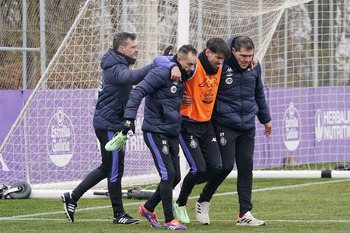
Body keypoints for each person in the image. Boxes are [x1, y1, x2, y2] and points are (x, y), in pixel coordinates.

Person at [61, 32, 180, 224]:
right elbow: (132, 77)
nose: (137, 49)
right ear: (122, 49)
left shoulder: (118, 64)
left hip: (112, 123)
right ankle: (119, 215)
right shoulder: (114, 67)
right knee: (114, 169)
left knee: (107, 167)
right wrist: (157, 64)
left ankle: (72, 197)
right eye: (133, 47)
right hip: (108, 124)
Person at [119, 45, 198, 230]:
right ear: (178, 60)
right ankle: (170, 220)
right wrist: (129, 118)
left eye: (194, 65)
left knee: (176, 175)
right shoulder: (161, 73)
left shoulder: (181, 76)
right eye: (189, 64)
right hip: (155, 131)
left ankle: (148, 208)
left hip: (171, 131)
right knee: (168, 174)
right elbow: (137, 91)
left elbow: (167, 98)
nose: (192, 69)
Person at [160, 38, 231, 225]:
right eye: (218, 57)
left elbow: (237, 55)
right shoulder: (194, 65)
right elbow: (159, 61)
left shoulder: (220, 66)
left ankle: (190, 187)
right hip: (188, 124)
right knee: (198, 168)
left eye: (223, 58)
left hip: (206, 125)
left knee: (218, 167)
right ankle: (181, 203)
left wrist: (253, 62)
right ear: (207, 52)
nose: (220, 61)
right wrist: (173, 66)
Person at [211, 36, 272, 226]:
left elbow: (259, 94)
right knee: (224, 166)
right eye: (243, 55)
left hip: (247, 125)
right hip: (224, 124)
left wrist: (265, 119)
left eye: (250, 55)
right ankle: (203, 198)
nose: (247, 59)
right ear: (233, 51)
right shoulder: (220, 65)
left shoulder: (255, 67)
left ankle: (244, 213)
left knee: (246, 168)